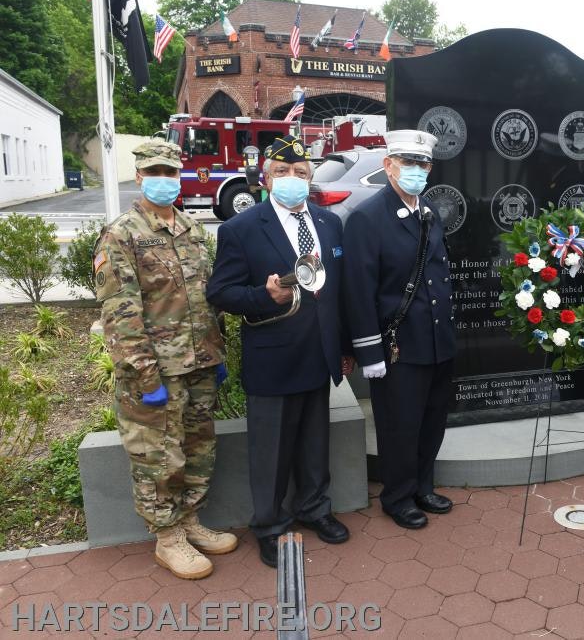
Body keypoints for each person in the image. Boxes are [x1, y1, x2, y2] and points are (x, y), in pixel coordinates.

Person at [206, 135, 353, 567]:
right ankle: (270, 525)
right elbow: (221, 292)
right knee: (270, 452)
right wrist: (261, 296)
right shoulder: (241, 229)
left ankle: (315, 509)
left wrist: (343, 347)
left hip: (319, 352)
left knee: (314, 443)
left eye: (301, 173)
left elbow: (338, 293)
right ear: (267, 179)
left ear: (311, 180)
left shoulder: (329, 224)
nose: (293, 179)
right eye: (283, 172)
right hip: (273, 355)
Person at [94, 139, 234, 580]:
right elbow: (120, 313)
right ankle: (167, 536)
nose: (164, 180)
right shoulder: (122, 234)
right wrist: (143, 373)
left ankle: (190, 519)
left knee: (198, 448)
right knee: (158, 456)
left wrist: (217, 349)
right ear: (139, 176)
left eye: (171, 172)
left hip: (199, 362)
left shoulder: (190, 228)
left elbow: (206, 296)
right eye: (155, 172)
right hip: (155, 371)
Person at [342, 129, 456, 529]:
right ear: (388, 165)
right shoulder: (367, 218)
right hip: (397, 345)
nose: (417, 171)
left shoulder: (428, 212)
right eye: (408, 163)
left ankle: (423, 486)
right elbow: (358, 291)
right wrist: (368, 352)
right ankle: (398, 496)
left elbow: (438, 278)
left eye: (423, 164)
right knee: (400, 425)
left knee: (431, 420)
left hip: (435, 339)